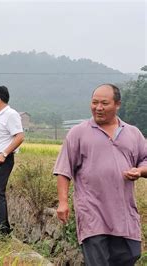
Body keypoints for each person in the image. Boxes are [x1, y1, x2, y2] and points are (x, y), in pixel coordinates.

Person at [53, 84, 147, 266]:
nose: (98, 107)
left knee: (130, 257)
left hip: (125, 216)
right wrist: (63, 202)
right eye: (94, 102)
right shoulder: (78, 133)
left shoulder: (133, 133)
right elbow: (64, 170)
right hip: (92, 215)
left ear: (117, 104)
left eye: (104, 103)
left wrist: (140, 171)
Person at [0, 85, 24, 235]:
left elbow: (20, 137)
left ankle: (3, 231)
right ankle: (0, 227)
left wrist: (4, 154)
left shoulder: (11, 114)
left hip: (2, 159)